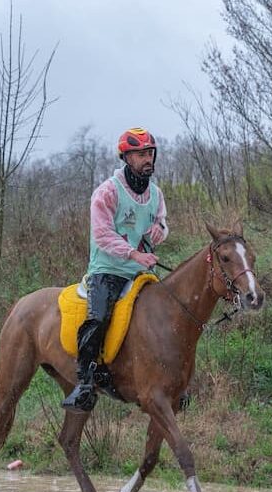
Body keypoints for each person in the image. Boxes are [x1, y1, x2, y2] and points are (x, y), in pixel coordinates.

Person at [62, 127, 168, 411]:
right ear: (126, 157)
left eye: (150, 153)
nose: (148, 159)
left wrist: (158, 231)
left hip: (138, 272)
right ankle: (84, 384)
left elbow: (161, 222)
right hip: (106, 270)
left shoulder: (155, 193)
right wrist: (133, 253)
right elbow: (102, 235)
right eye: (141, 154)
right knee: (97, 319)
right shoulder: (107, 192)